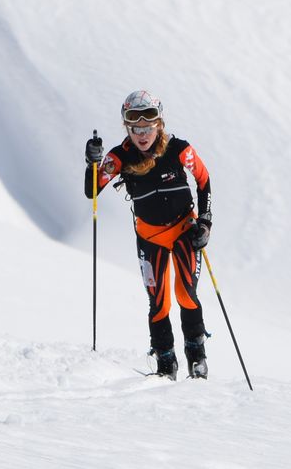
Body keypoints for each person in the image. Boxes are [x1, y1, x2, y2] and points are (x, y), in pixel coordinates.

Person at [84, 90, 212, 379]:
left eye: (148, 126)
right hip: (149, 237)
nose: (142, 134)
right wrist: (92, 162)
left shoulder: (179, 150)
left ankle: (197, 358)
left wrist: (205, 223)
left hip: (183, 232)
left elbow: (203, 180)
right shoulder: (120, 156)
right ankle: (167, 363)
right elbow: (92, 189)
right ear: (127, 127)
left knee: (185, 293)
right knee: (159, 301)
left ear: (159, 124)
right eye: (135, 127)